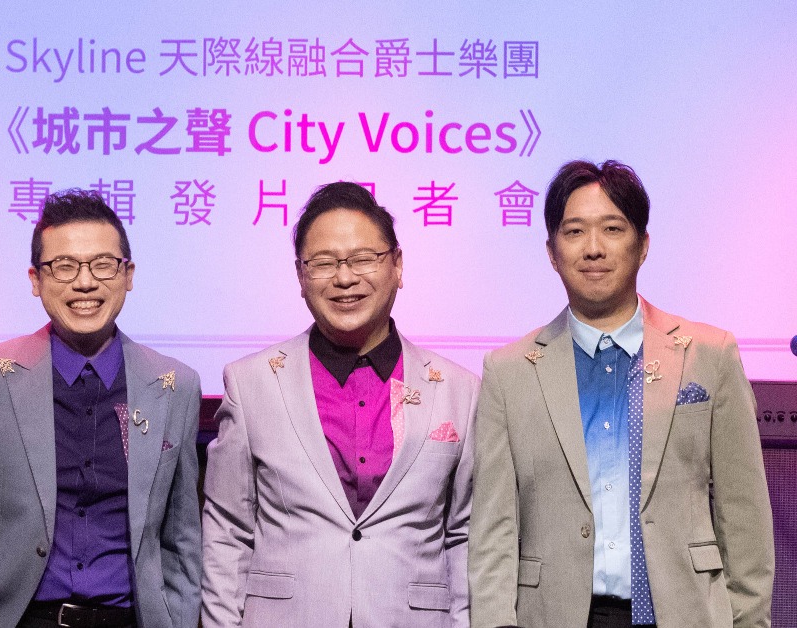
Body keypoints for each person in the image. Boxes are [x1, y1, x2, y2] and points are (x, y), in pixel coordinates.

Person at [469, 160, 774, 628]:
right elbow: (493, 534)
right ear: (551, 252)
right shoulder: (509, 372)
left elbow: (744, 514)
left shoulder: (709, 355)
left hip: (685, 613)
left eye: (612, 229)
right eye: (574, 232)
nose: (593, 248)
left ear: (643, 244)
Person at [0, 189, 202, 628]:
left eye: (103, 264)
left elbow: (182, 537)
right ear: (36, 279)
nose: (84, 283)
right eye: (64, 266)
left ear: (128, 274)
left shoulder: (175, 385)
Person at [201, 182, 478, 627]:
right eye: (324, 263)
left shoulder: (459, 390)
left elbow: (463, 536)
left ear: (398, 265)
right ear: (300, 275)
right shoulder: (251, 383)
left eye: (364, 259)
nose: (345, 279)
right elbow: (227, 530)